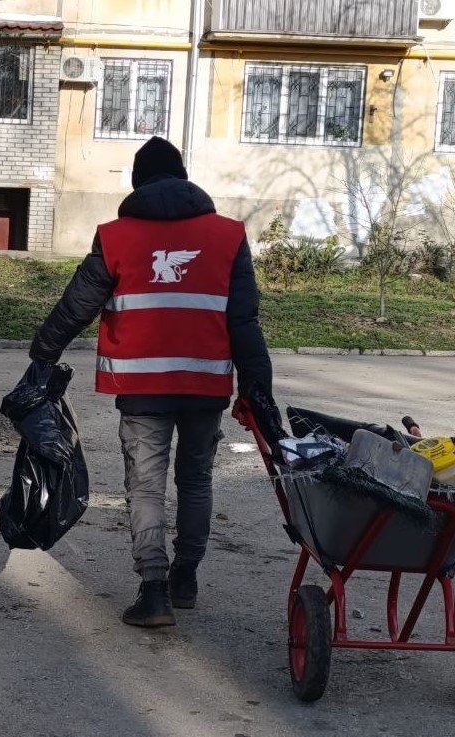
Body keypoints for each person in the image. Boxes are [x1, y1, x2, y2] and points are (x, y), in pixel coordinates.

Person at [29, 136, 283, 627]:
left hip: (141, 389)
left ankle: (153, 592)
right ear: (184, 177)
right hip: (204, 386)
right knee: (195, 481)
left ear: (137, 182)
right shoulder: (228, 235)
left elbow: (77, 304)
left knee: (145, 487)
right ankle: (186, 576)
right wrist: (258, 387)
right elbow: (244, 320)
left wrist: (42, 356)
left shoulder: (117, 236)